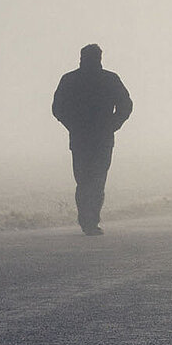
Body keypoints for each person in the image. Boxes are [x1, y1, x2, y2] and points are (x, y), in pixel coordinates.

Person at [51, 44, 133, 234]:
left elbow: (58, 109)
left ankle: (87, 221)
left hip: (82, 138)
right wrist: (113, 124)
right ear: (100, 58)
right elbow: (126, 105)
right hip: (100, 137)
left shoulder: (70, 79)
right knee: (95, 181)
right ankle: (90, 221)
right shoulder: (109, 79)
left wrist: (72, 125)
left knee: (84, 180)